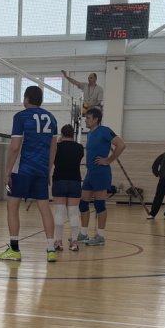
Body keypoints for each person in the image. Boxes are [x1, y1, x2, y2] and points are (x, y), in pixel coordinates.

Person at [0, 85, 59, 263]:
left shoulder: (21, 116)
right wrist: (48, 171)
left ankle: (14, 250)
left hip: (22, 169)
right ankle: (51, 249)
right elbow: (53, 148)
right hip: (41, 170)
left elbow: (15, 147)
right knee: (45, 208)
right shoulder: (52, 118)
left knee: (12, 206)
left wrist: (7, 172)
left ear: (26, 99)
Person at [77, 107, 126, 247]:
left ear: (96, 119)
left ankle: (100, 236)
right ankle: (84, 233)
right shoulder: (90, 134)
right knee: (83, 203)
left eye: (88, 118)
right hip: (90, 173)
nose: (85, 120)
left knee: (99, 204)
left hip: (101, 172)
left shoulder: (104, 131)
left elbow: (121, 145)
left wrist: (108, 160)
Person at [51, 124, 85, 251]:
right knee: (73, 213)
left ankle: (59, 242)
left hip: (59, 181)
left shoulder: (56, 147)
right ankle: (74, 242)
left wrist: (59, 144)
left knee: (59, 213)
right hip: (75, 182)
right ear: (73, 134)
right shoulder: (79, 148)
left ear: (61, 134)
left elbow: (53, 156)